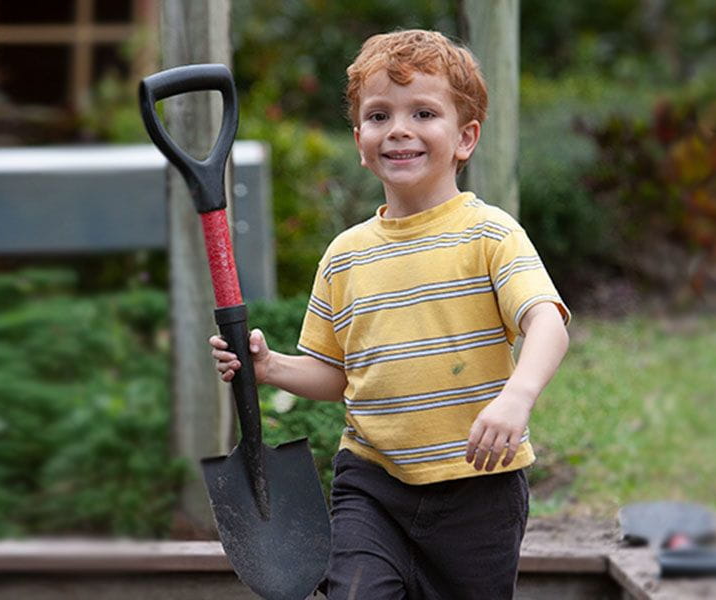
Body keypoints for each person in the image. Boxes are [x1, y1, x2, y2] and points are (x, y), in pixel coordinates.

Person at [210, 29, 570, 599]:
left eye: (423, 112)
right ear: (360, 140)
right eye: (379, 116)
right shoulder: (346, 256)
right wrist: (271, 367)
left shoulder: (490, 235)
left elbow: (546, 322)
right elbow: (336, 374)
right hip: (372, 483)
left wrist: (517, 397)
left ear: (465, 138)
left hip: (479, 490)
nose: (398, 129)